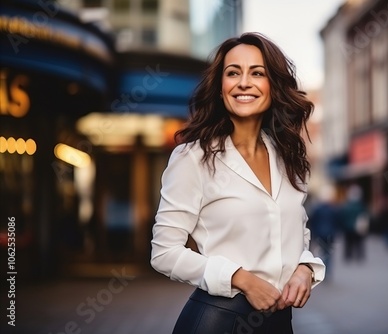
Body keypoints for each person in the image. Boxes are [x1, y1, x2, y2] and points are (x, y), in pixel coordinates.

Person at [150, 32, 325, 334]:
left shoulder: (286, 157)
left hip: (279, 324)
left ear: (273, 86)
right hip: (218, 321)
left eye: (258, 73)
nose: (244, 82)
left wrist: (305, 269)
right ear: (220, 88)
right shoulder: (193, 158)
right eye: (233, 73)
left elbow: (296, 232)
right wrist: (240, 278)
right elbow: (164, 253)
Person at [308, 186, 341, 279]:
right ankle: (327, 271)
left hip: (319, 233)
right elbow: (337, 222)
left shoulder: (317, 209)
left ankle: (322, 270)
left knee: (321, 252)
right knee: (329, 253)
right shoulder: (333, 210)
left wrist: (313, 234)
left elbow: (313, 222)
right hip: (330, 234)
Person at [341, 184, 369, 263]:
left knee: (348, 244)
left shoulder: (346, 205)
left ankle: (348, 256)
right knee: (359, 243)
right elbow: (365, 215)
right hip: (358, 227)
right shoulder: (361, 206)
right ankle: (359, 256)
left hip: (348, 228)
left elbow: (343, 216)